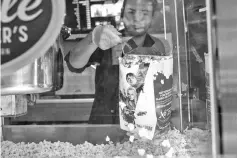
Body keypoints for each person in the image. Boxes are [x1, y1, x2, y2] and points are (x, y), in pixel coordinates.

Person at [65, 0, 167, 124]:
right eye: (131, 12)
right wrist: (93, 38)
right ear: (122, 13)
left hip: (145, 126)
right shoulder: (108, 39)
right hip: (105, 124)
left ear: (152, 17)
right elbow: (74, 63)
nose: (137, 18)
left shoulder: (158, 46)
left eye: (144, 13)